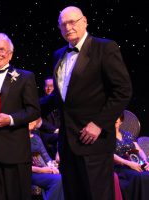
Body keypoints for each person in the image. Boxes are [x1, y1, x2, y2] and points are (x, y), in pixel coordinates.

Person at [51, 6, 132, 200]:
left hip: (94, 141)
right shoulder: (58, 54)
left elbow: (123, 90)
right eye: (63, 24)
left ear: (85, 21)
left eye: (72, 22)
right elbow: (60, 97)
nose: (68, 27)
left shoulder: (104, 47)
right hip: (68, 143)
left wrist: (99, 124)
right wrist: (19, 110)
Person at [0, 32, 40, 200]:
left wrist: (10, 119)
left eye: (2, 49)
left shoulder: (25, 77)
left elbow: (33, 110)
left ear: (10, 54)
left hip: (15, 151)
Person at [114, 113, 149, 200]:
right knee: (141, 177)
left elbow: (139, 150)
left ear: (121, 122)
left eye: (115, 122)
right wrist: (128, 163)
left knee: (147, 174)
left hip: (135, 164)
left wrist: (145, 161)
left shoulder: (127, 134)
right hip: (120, 167)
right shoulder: (106, 137)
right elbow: (109, 155)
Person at [30, 117, 64, 200]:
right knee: (58, 180)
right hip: (30, 172)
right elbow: (23, 165)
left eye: (32, 120)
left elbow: (46, 157)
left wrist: (53, 167)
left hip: (43, 170)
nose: (31, 122)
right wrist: (42, 170)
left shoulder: (36, 138)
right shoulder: (19, 140)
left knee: (63, 175)